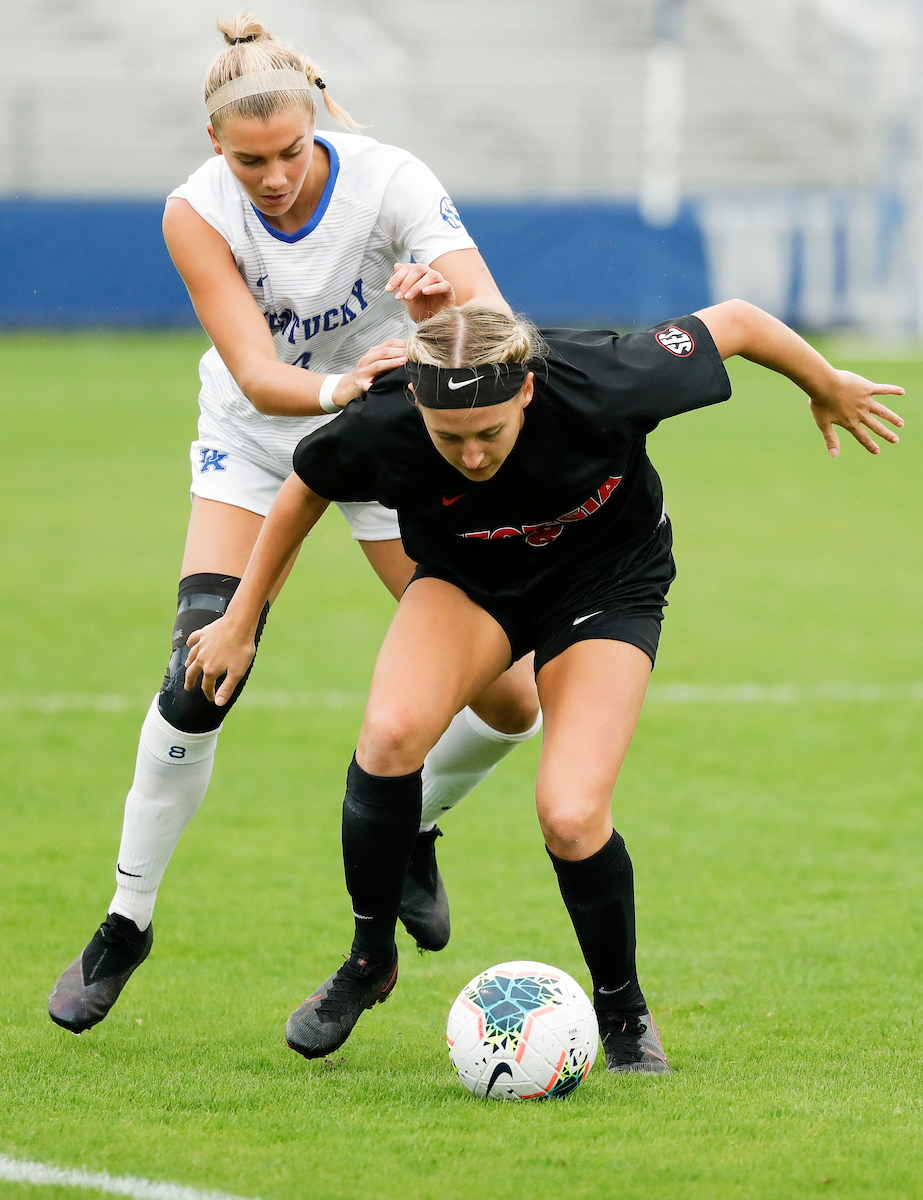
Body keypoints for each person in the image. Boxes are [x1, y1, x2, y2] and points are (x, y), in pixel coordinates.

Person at [182, 299, 904, 1073]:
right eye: (447, 436)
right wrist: (240, 618)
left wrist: (822, 381)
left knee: (569, 813)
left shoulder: (604, 380)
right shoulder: (384, 419)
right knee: (389, 736)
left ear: (525, 391)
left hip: (607, 584)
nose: (470, 455)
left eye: (488, 432)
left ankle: (623, 1009)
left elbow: (736, 323)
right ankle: (367, 962)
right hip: (470, 584)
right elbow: (303, 489)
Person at [47, 14, 542, 1037]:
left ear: (316, 123)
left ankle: (411, 826)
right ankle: (125, 921)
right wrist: (342, 390)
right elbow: (261, 377)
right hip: (262, 435)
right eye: (247, 160)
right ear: (216, 147)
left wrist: (437, 307)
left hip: (386, 441)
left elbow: (490, 320)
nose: (270, 178)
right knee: (199, 676)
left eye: (286, 154)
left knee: (510, 700)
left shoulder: (391, 179)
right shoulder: (196, 211)